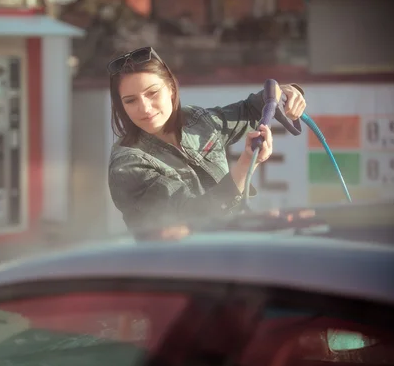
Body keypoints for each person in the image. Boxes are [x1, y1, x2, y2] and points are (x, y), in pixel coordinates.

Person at [107, 46, 307, 239]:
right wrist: (246, 165)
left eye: (152, 93)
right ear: (120, 106)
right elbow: (193, 215)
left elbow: (249, 110)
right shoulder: (126, 164)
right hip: (176, 267)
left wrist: (284, 93)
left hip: (233, 253)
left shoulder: (196, 120)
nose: (145, 108)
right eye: (130, 101)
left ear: (170, 88)